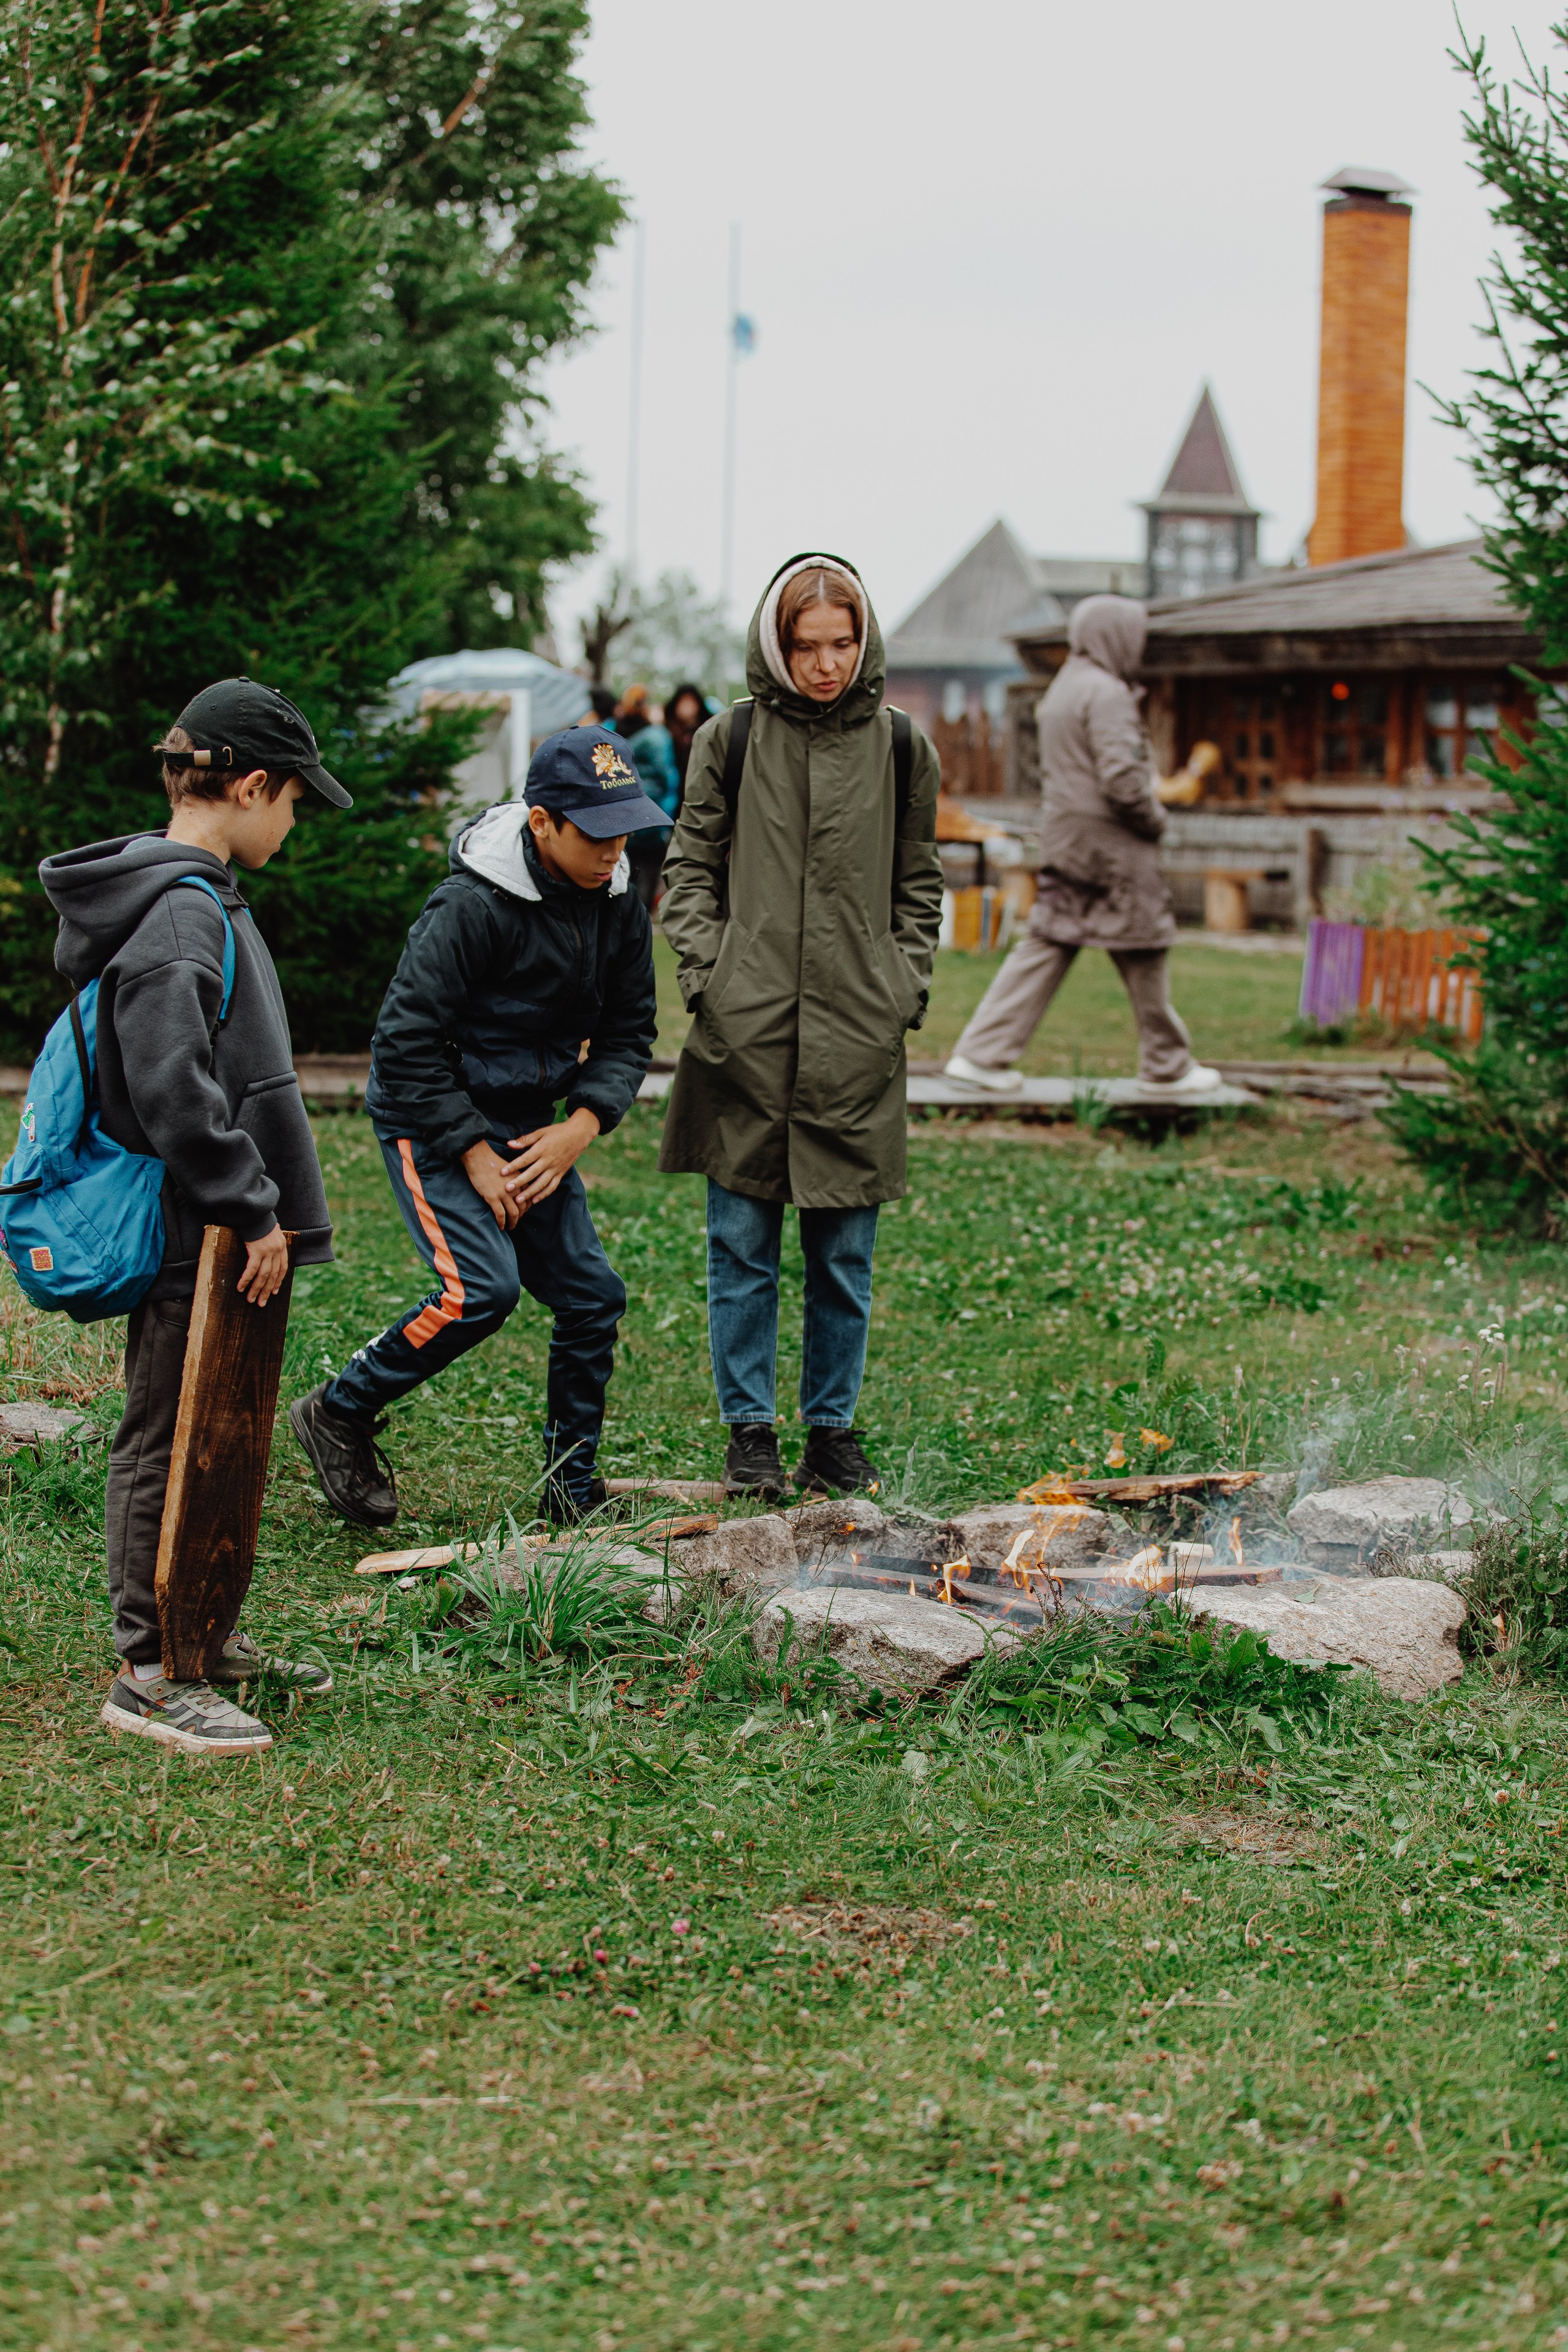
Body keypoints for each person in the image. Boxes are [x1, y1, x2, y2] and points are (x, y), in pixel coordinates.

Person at [40, 679, 350, 1756]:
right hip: (194, 1231)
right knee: (164, 1434)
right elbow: (175, 1086)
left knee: (220, 1431)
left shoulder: (198, 894)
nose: (296, 819)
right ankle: (145, 1671)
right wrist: (248, 1206)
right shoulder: (177, 912)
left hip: (224, 1236)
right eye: (295, 800)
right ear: (252, 785)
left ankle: (198, 1633)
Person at [288, 727, 662, 1529]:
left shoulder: (619, 903)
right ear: (541, 824)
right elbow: (403, 1043)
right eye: (595, 833)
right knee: (479, 1291)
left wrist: (581, 1127)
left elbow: (632, 1033)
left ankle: (571, 1487)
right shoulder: (469, 907)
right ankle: (338, 1410)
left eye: (624, 829)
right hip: (430, 1114)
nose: (613, 849)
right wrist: (472, 1151)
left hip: (532, 1125)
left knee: (593, 1297)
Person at [658, 554, 943, 1500]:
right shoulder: (729, 740)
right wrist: (713, 978)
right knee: (740, 1247)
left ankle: (832, 1431)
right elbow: (688, 871)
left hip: (857, 1039)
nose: (826, 664)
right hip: (745, 1036)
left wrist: (900, 989)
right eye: (806, 645)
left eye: (842, 642)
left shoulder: (903, 747)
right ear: (776, 648)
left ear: (865, 642)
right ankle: (750, 1432)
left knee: (843, 1256)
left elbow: (918, 883)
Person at [944, 595, 1219, 1098]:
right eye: (1134, 636)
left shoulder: (1063, 690)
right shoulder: (1108, 693)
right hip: (1110, 840)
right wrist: (1154, 820)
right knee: (1144, 940)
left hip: (1066, 834)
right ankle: (1168, 1065)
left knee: (1051, 937)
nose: (1138, 647)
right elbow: (1122, 780)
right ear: (1114, 636)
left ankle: (981, 1055)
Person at [614, 685, 680, 913]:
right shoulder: (657, 737)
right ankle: (640, 923)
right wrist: (666, 818)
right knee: (647, 877)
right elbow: (668, 778)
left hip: (621, 818)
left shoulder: (612, 734)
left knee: (624, 874)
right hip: (651, 818)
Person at [664, 681, 709, 806]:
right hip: (674, 796)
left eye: (691, 701)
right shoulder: (666, 732)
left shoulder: (708, 732)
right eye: (683, 701)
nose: (687, 706)